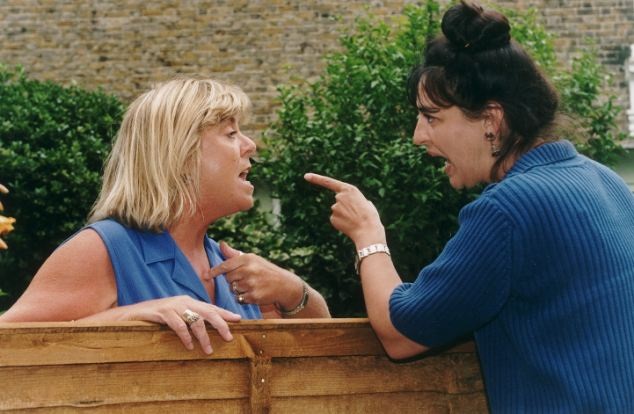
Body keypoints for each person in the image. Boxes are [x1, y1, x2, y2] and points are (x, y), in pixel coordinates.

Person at [305, 1, 634, 411]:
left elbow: (401, 332)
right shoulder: (608, 182)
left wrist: (367, 234)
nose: (417, 136)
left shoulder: (508, 209)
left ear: (491, 121)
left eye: (432, 117)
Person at [0, 78, 330, 354]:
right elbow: (10, 346)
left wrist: (294, 291)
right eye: (230, 134)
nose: (250, 145)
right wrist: (128, 317)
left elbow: (322, 355)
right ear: (180, 154)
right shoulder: (105, 248)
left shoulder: (229, 264)